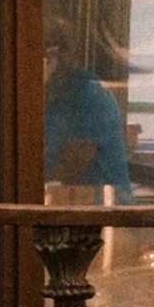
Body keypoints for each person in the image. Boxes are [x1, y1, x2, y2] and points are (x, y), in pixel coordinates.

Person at [42, 15, 131, 196]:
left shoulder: (90, 96)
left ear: (55, 58)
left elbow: (69, 171)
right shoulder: (48, 95)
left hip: (101, 212)